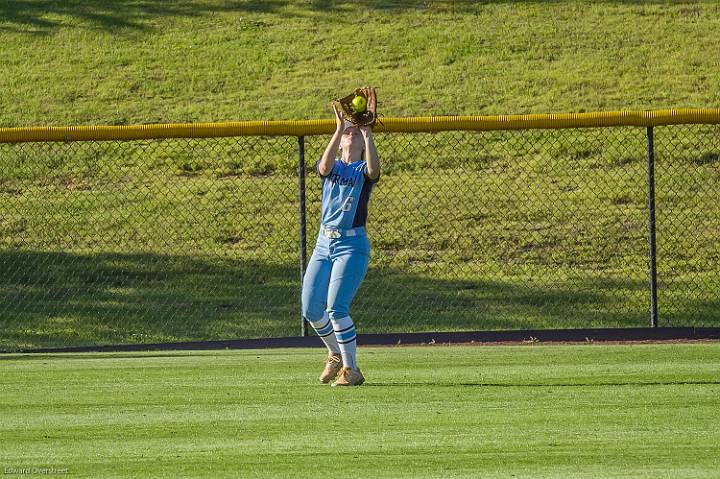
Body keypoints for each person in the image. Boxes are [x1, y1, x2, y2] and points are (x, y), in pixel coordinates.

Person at [300, 103, 380, 387]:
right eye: (349, 132)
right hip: (324, 243)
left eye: (354, 132)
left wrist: (368, 133)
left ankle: (351, 369)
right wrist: (337, 129)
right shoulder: (333, 166)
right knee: (310, 308)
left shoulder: (361, 170)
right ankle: (334, 352)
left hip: (352, 245)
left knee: (336, 308)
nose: (351, 133)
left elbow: (373, 170)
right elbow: (323, 166)